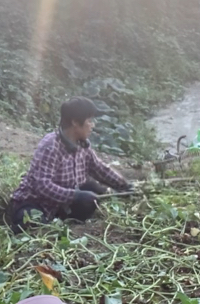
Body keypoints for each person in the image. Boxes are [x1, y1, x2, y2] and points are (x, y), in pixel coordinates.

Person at [7, 97, 131, 232]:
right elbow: (42, 186)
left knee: (92, 190)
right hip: (35, 203)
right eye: (89, 121)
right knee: (34, 223)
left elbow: (100, 169)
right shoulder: (50, 146)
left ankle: (63, 222)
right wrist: (75, 196)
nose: (92, 125)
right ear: (75, 122)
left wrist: (124, 185)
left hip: (60, 205)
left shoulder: (82, 145)